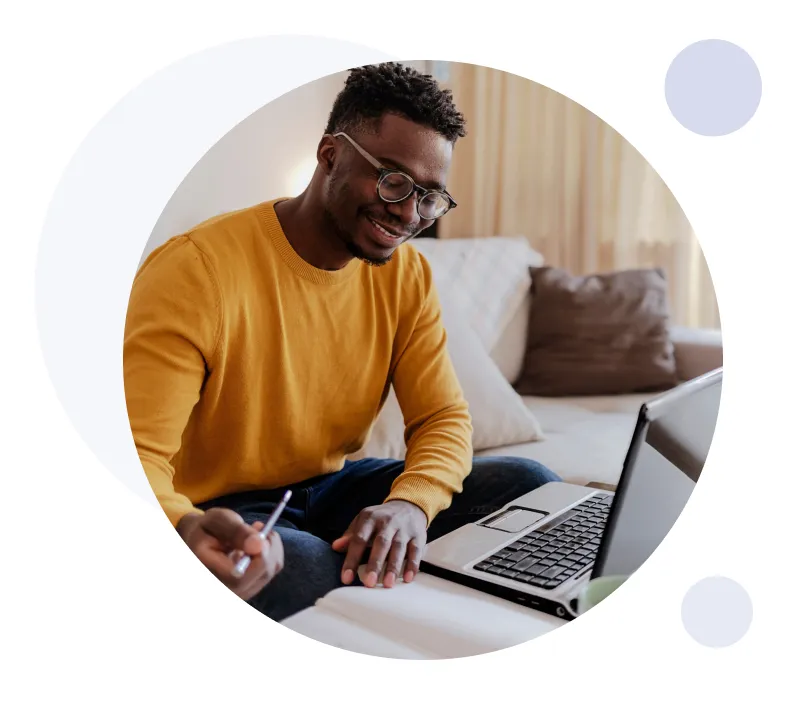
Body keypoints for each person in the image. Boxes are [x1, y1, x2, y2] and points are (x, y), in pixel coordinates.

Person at [123, 62, 561, 621]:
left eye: (429, 196)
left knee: (530, 485)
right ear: (330, 154)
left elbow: (444, 419)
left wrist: (410, 505)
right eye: (393, 180)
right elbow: (134, 454)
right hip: (224, 508)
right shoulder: (197, 270)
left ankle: (387, 579)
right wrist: (182, 526)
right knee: (295, 564)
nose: (407, 213)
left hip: (331, 487)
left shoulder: (407, 276)